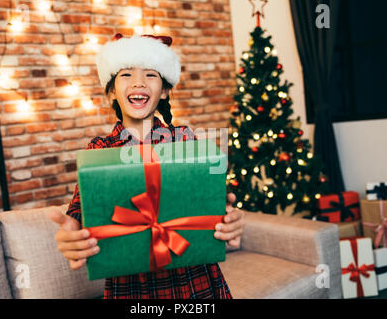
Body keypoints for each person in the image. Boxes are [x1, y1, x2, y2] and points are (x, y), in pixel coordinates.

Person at [50, 33, 245, 299]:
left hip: (195, 286)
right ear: (112, 92)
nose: (139, 81)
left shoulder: (184, 140)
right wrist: (73, 229)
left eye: (151, 74)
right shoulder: (99, 149)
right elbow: (80, 207)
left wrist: (229, 217)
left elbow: (213, 203)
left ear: (164, 90)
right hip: (131, 291)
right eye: (126, 74)